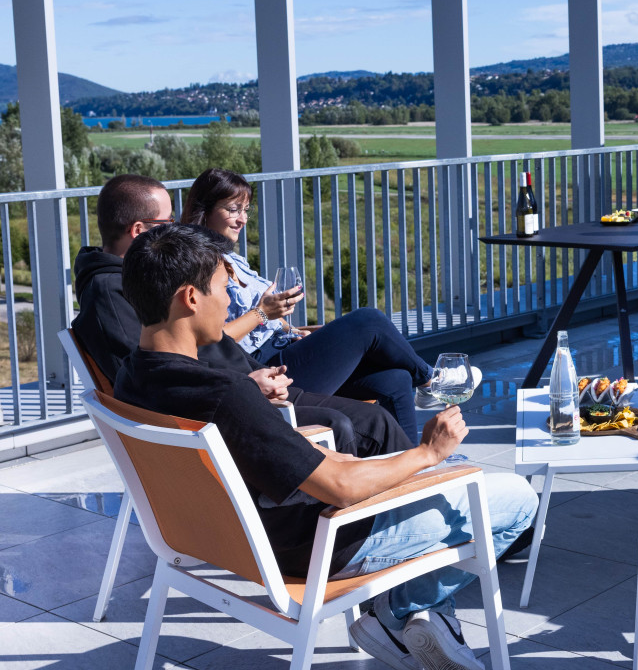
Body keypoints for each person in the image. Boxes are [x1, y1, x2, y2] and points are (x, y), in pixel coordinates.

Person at [112, 224, 537, 670]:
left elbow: (310, 465)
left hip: (230, 542)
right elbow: (341, 489)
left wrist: (358, 464)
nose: (230, 301)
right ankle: (398, 611)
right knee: (516, 498)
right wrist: (427, 453)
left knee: (403, 466)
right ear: (191, 297)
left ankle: (421, 615)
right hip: (319, 546)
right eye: (222, 287)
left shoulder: (131, 378)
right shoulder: (225, 395)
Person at [72, 174, 409, 459]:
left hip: (250, 383)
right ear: (138, 230)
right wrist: (248, 381)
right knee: (368, 409)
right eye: (168, 222)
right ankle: (410, 494)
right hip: (235, 402)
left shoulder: (139, 276)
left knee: (390, 385)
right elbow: (151, 378)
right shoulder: (111, 292)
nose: (173, 229)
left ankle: (418, 483)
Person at [180, 168, 434, 441]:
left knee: (395, 378)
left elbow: (261, 318)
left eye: (246, 210)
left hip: (285, 349)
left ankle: (412, 460)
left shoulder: (231, 257)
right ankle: (431, 381)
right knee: (368, 322)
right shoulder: (196, 264)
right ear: (204, 210)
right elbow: (208, 343)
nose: (242, 219)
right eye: (233, 210)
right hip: (265, 370)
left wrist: (292, 329)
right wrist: (262, 313)